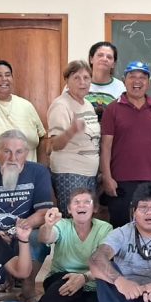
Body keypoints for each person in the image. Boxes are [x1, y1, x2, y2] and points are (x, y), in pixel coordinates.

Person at [0, 130, 54, 302]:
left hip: (24, 230)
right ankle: (2, 280)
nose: (13, 158)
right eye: (6, 151)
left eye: (19, 152)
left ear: (26, 153)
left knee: (37, 238)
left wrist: (18, 229)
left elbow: (43, 213)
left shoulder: (39, 173)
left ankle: (28, 286)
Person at [100, 61, 151, 227]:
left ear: (148, 83)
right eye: (132, 77)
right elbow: (106, 146)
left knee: (149, 228)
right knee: (121, 228)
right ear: (124, 80)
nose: (137, 81)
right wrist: (107, 177)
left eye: (142, 77)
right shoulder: (113, 109)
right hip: (120, 181)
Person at [32, 190, 113, 302]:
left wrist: (84, 278)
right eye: (76, 202)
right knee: (67, 283)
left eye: (87, 202)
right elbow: (45, 237)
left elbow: (103, 262)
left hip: (91, 283)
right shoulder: (62, 224)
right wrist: (48, 225)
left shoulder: (105, 228)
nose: (81, 206)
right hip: (60, 280)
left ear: (95, 208)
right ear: (69, 209)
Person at [48, 60, 101, 215]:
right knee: (72, 220)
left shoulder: (87, 105)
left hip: (89, 173)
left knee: (85, 221)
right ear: (67, 80)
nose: (82, 82)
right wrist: (71, 131)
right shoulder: (61, 105)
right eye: (76, 78)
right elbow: (54, 144)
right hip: (70, 172)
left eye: (86, 78)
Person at [86, 41, 125, 120]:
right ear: (91, 59)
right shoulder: (76, 84)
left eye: (109, 57)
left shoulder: (121, 88)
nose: (104, 59)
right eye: (100, 55)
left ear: (113, 64)